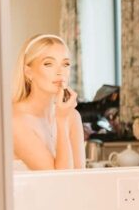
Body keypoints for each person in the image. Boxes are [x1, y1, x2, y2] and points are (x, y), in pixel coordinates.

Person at [11, 33, 86, 170]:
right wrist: (61, 122)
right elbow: (59, 182)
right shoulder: (15, 121)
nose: (60, 72)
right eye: (48, 64)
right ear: (28, 72)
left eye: (65, 64)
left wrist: (63, 118)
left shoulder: (72, 116)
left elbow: (78, 178)